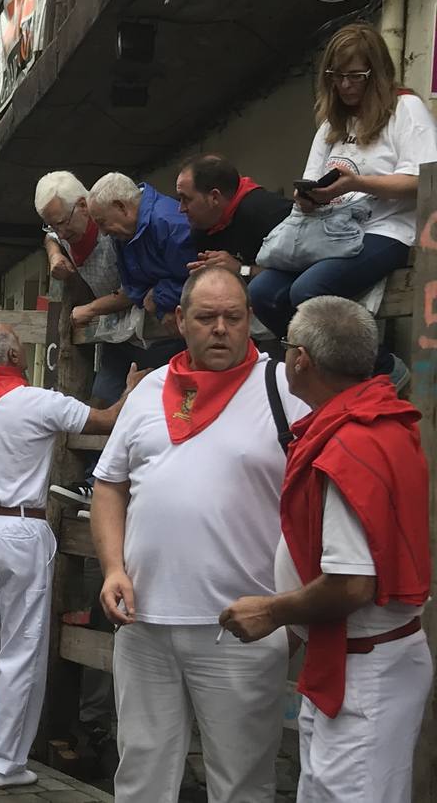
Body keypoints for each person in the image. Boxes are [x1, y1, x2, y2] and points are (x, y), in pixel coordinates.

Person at [90, 266, 310, 802]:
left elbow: (321, 498)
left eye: (233, 317)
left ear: (250, 321)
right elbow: (108, 486)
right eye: (206, 317)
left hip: (241, 627)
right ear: (180, 321)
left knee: (241, 783)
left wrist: (297, 608)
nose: (220, 328)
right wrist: (114, 568)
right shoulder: (148, 393)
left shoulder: (285, 389)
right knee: (141, 773)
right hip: (143, 623)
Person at [219, 295, 431, 802]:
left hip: (364, 666)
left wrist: (271, 611)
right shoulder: (377, 421)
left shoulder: (349, 444)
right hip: (362, 658)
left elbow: (352, 582)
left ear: (301, 360)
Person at [0, 322, 137, 789]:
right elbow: (105, 420)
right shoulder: (38, 401)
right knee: (20, 650)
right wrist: (131, 392)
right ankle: (3, 763)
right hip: (20, 526)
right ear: (17, 354)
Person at [249, 23, 437, 388]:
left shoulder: (405, 109)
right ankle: (333, 373)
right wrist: (308, 199)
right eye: (337, 76)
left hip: (386, 230)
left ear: (377, 73)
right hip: (330, 231)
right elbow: (310, 180)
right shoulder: (330, 126)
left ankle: (382, 369)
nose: (346, 85)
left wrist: (357, 183)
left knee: (308, 291)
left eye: (356, 76)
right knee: (262, 293)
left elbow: (421, 181)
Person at [36, 170, 169, 404]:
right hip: (118, 339)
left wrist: (91, 309)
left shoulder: (116, 229)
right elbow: (52, 238)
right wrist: (55, 254)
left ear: (82, 206)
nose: (61, 232)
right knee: (102, 400)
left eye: (61, 224)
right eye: (52, 226)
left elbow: (136, 287)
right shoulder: (64, 229)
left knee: (153, 402)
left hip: (155, 332)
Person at [87, 172, 195, 342]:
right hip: (164, 324)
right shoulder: (124, 234)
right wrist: (160, 308)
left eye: (102, 222)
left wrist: (157, 296)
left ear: (121, 207)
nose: (103, 232)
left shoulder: (170, 224)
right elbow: (135, 289)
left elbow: (197, 281)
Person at [176, 154, 290, 280]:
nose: (181, 209)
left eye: (186, 199)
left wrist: (241, 270)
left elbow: (298, 270)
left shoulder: (266, 211)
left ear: (214, 197)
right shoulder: (201, 229)